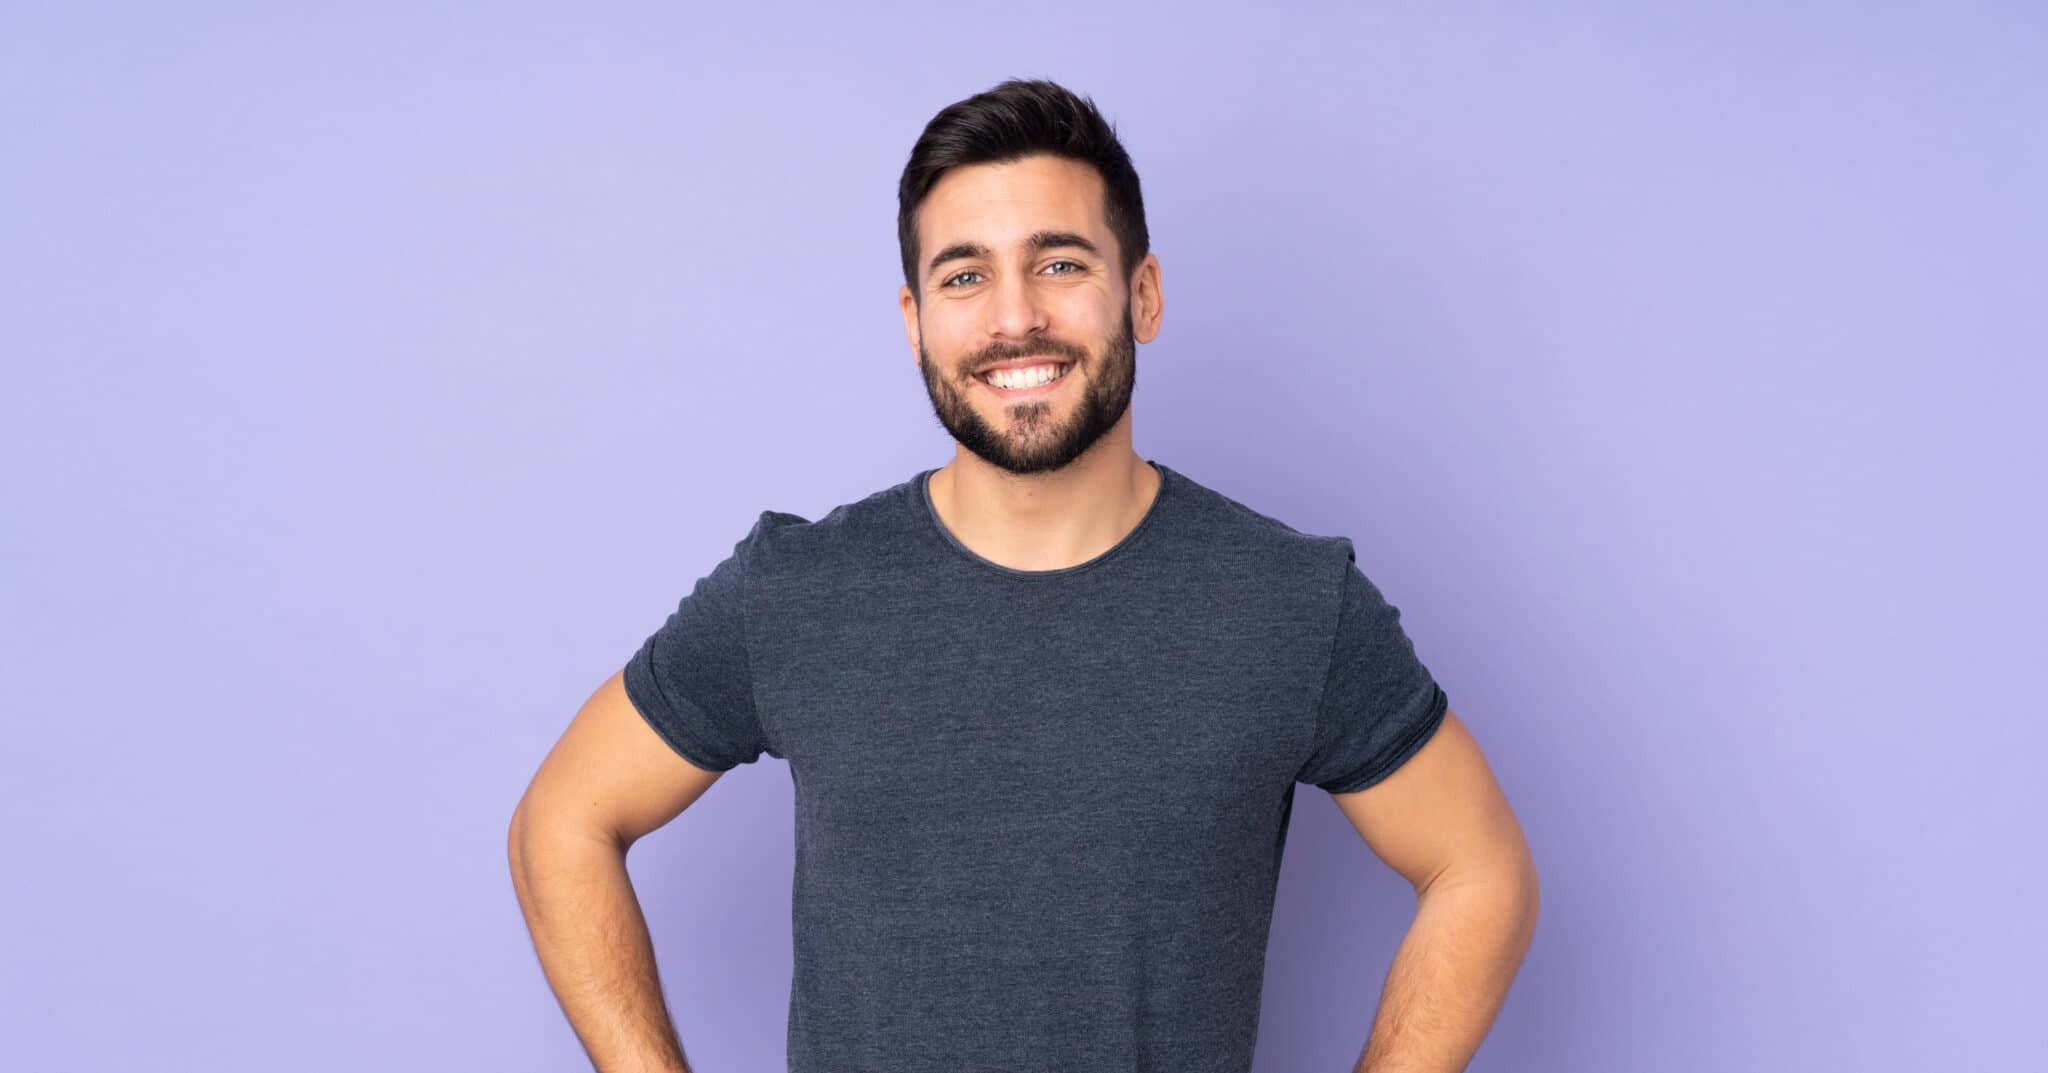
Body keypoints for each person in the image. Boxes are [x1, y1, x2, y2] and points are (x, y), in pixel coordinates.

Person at [509, 77, 1538, 1073]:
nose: (1014, 319)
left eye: (1058, 264)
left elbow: (1479, 869)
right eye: (964, 275)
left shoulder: (1288, 604)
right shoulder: (797, 592)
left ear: (1141, 293)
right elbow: (559, 822)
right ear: (914, 321)